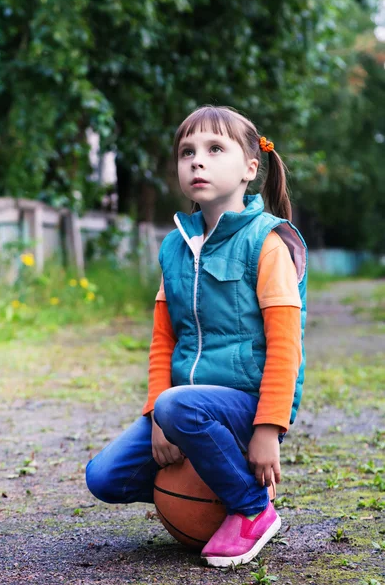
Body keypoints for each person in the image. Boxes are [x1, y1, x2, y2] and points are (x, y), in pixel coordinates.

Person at [86, 105, 307, 568]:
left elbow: (287, 347)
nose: (197, 161)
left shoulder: (266, 243)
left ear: (250, 168)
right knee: (103, 477)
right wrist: (156, 414)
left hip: (244, 406)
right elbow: (162, 340)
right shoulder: (174, 247)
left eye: (214, 149)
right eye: (187, 151)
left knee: (178, 405)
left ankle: (251, 509)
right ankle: (205, 491)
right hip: (182, 408)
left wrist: (269, 428)